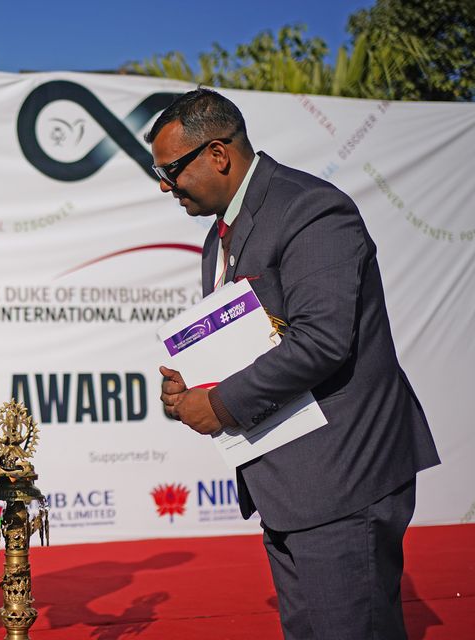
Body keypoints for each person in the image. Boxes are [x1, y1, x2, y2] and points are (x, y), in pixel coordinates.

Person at [145, 88, 439, 640]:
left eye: (170, 169)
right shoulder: (218, 237)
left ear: (218, 154)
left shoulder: (309, 208)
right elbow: (248, 341)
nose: (164, 185)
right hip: (288, 488)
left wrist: (221, 402)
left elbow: (323, 340)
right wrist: (194, 386)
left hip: (343, 478)